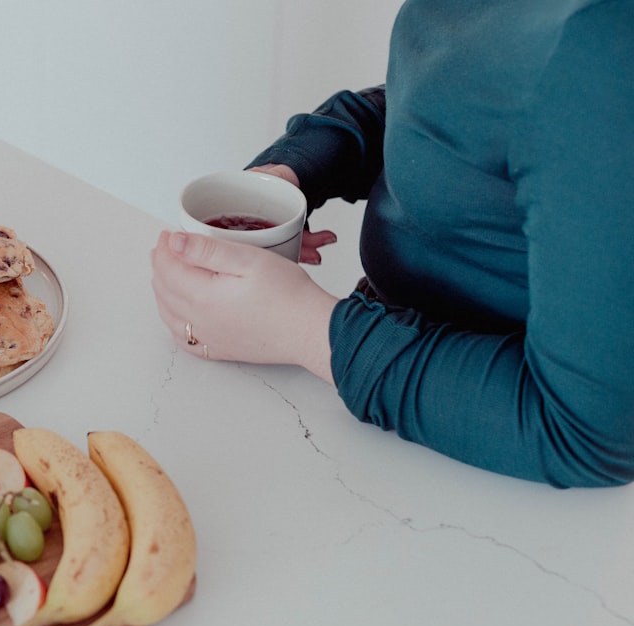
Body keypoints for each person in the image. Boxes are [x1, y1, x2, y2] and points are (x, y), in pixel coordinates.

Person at [151, 0, 634, 489]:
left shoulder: (605, 39)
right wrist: (306, 162)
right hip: (385, 375)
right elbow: (471, 99)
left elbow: (588, 436)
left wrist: (303, 328)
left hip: (488, 471)